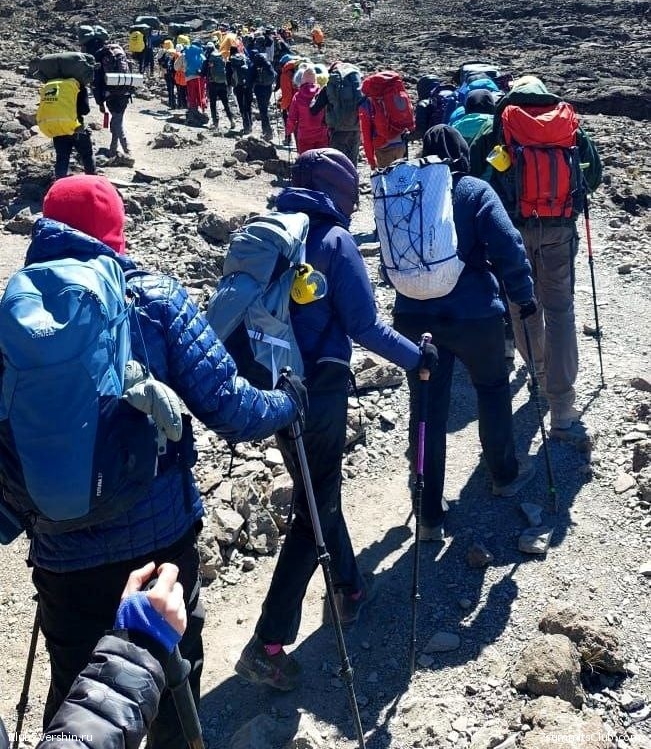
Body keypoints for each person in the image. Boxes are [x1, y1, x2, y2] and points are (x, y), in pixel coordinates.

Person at [4, 175, 302, 749]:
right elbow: (231, 409)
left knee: (79, 698)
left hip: (62, 554)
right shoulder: (152, 298)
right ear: (115, 232)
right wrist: (288, 400)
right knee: (169, 689)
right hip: (158, 548)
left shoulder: (15, 316)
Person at [236, 149, 436, 691]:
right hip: (318, 393)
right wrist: (417, 359)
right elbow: (365, 326)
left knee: (319, 492)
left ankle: (349, 588)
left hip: (274, 387)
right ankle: (267, 645)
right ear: (341, 192)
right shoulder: (334, 242)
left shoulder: (273, 234)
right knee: (313, 509)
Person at [392, 126, 538, 541]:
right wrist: (523, 295)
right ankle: (504, 475)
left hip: (414, 318)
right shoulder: (474, 189)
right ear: (462, 155)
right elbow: (508, 244)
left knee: (426, 407)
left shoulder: (404, 190)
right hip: (475, 315)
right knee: (492, 389)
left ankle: (428, 515)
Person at [469, 75, 602, 439]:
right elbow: (593, 176)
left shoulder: (496, 130)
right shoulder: (568, 127)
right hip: (559, 231)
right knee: (560, 312)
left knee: (522, 306)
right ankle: (562, 407)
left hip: (510, 233)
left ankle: (540, 374)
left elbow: (474, 181)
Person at [0, 562, 186, 749]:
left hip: (69, 575)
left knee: (72, 680)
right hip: (169, 558)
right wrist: (135, 654)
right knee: (173, 716)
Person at [93, 41, 134, 165]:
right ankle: (113, 150)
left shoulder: (102, 60)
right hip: (125, 93)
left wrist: (100, 103)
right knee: (117, 120)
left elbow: (97, 84)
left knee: (116, 122)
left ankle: (127, 151)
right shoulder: (121, 56)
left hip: (110, 95)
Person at [51, 80, 96, 179]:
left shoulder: (52, 85)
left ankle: (59, 184)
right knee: (87, 155)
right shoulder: (78, 86)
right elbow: (85, 110)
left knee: (62, 158)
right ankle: (92, 181)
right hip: (76, 127)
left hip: (58, 127)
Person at [285, 66, 329, 154]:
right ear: (315, 79)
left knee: (306, 159)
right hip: (322, 134)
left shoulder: (298, 96)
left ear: (302, 80)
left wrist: (288, 131)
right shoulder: (322, 93)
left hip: (304, 135)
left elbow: (292, 117)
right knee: (321, 159)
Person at [203, 41, 236, 131]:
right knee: (226, 103)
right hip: (222, 83)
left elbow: (204, 72)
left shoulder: (209, 58)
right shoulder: (220, 55)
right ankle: (231, 120)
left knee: (213, 104)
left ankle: (215, 123)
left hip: (213, 83)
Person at [250, 41, 276, 140]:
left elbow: (251, 79)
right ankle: (267, 131)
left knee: (263, 111)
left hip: (259, 89)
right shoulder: (267, 64)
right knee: (265, 109)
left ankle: (267, 132)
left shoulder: (255, 65)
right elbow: (275, 74)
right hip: (268, 88)